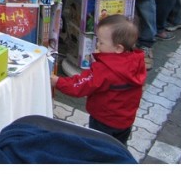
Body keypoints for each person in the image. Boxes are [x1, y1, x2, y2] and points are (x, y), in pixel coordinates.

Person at [51, 15, 146, 145]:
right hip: (126, 121)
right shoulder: (137, 62)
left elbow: (79, 86)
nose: (97, 45)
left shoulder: (105, 69)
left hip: (103, 120)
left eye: (101, 42)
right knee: (118, 146)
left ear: (118, 48)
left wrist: (57, 81)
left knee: (98, 146)